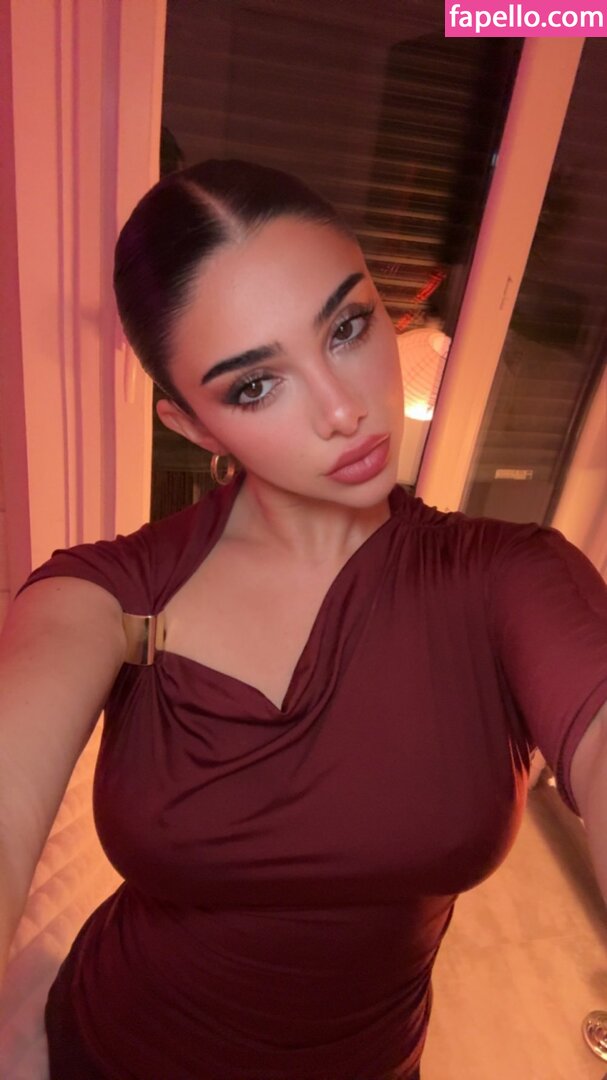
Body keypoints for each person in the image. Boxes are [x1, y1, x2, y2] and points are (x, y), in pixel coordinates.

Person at [0, 159, 606, 1080]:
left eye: (347, 327)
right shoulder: (111, 594)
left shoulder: (509, 578)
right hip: (118, 1048)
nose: (342, 409)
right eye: (254, 385)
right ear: (193, 426)